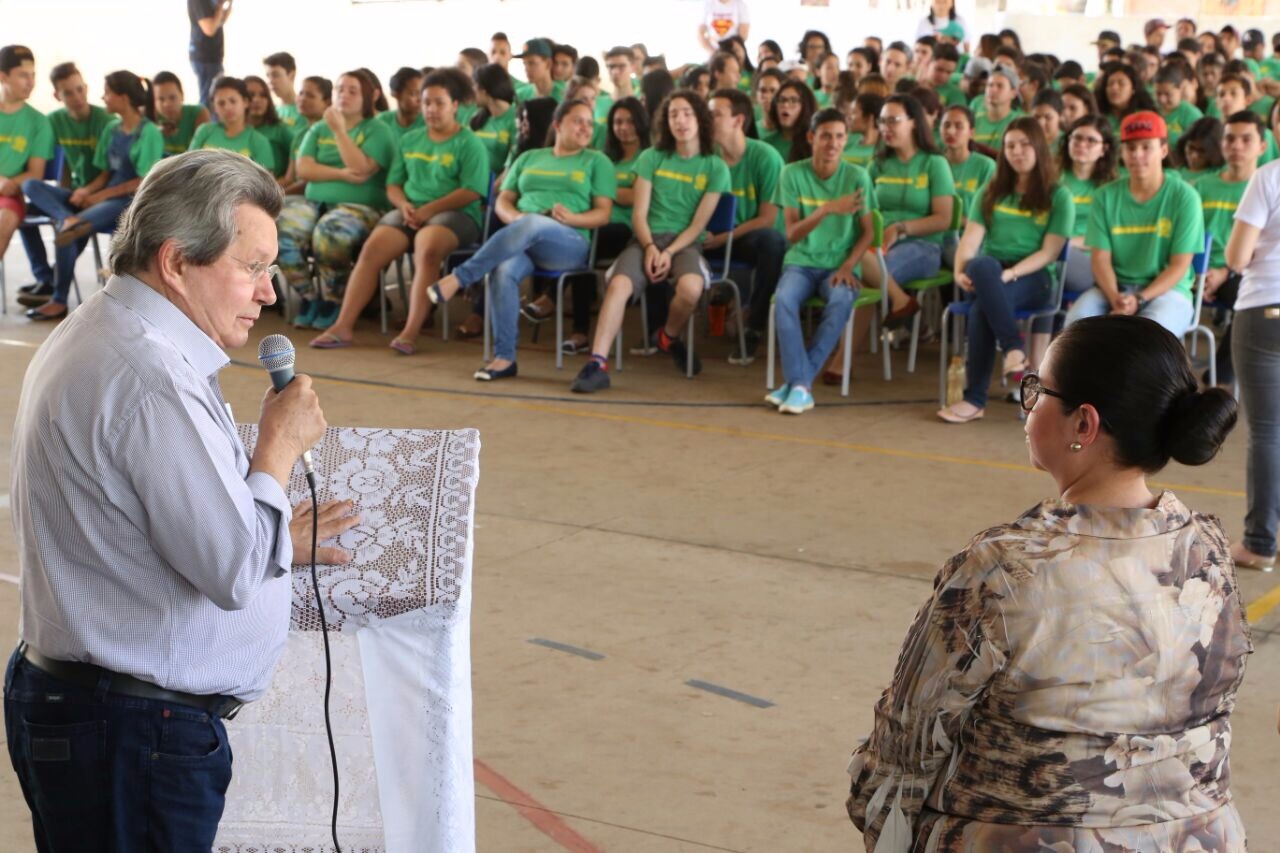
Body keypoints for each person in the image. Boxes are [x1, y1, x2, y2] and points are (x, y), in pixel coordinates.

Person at [6, 148, 360, 849]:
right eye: (252, 266)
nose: (268, 293)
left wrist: (271, 538)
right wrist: (276, 452)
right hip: (129, 730)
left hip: (109, 717)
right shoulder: (147, 375)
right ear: (175, 263)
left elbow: (148, 522)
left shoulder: (117, 334)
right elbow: (228, 571)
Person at [851, 313, 1246, 849]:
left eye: (1036, 389)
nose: (1028, 404)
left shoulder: (1004, 569)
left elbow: (899, 759)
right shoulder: (1210, 553)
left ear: (1084, 424)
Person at [423, 98, 614, 381]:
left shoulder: (597, 161)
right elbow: (503, 200)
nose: (586, 127)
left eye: (590, 122)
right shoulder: (528, 157)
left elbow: (603, 214)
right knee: (504, 270)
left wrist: (571, 218)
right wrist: (517, 220)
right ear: (558, 124)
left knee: (535, 223)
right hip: (524, 234)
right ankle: (504, 358)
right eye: (578, 120)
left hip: (568, 241)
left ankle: (459, 278)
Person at [307, 67, 488, 355]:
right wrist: (403, 204)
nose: (431, 109)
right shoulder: (411, 139)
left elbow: (472, 191)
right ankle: (342, 326)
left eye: (439, 103)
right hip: (410, 211)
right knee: (372, 249)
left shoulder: (469, 143)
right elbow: (393, 185)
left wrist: (429, 209)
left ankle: (410, 331)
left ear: (454, 106)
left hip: (456, 214)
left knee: (426, 248)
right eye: (426, 102)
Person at [571, 89, 728, 392]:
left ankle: (667, 336)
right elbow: (638, 215)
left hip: (684, 243)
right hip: (645, 239)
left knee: (691, 288)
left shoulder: (715, 166)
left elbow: (698, 225)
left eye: (687, 113)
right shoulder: (651, 157)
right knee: (617, 285)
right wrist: (650, 248)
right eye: (673, 114)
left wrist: (668, 251)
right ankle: (597, 363)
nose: (680, 120)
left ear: (700, 119)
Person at [937, 117, 1074, 423]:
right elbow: (970, 240)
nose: (1017, 151)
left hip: (1034, 276)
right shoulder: (992, 190)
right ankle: (1013, 350)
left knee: (979, 310)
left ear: (1039, 147)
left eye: (1025, 144)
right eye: (1010, 145)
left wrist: (1010, 275)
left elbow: (1049, 252)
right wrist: (960, 271)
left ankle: (975, 400)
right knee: (981, 263)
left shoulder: (1058, 195)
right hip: (991, 271)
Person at [22, 70, 164, 322]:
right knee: (32, 186)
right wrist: (86, 191)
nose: (103, 97)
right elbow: (105, 173)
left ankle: (57, 300)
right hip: (103, 195)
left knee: (68, 234)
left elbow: (142, 181)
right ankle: (65, 216)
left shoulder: (149, 132)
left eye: (107, 92)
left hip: (127, 202)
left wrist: (98, 198)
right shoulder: (112, 128)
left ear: (122, 97)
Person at [766, 108, 875, 415]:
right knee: (784, 301)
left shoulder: (857, 176)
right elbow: (790, 233)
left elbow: (868, 233)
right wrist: (825, 209)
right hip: (800, 261)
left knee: (841, 301)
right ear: (812, 137)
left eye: (840, 136)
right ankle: (801, 385)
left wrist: (846, 266)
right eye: (826, 135)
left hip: (840, 265)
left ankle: (797, 383)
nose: (833, 143)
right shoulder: (792, 174)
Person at [1066, 112, 1204, 337]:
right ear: (1122, 152)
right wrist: (1116, 299)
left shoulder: (1185, 197)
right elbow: (1100, 259)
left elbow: (1179, 265)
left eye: (1146, 147)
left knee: (1147, 338)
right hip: (1114, 288)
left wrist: (1140, 299)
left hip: (1168, 291)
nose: (1137, 155)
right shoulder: (1105, 196)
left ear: (1163, 150)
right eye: (1130, 148)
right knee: (1075, 327)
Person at [278, 70, 396, 330]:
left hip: (362, 208)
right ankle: (309, 297)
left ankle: (334, 299)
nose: (344, 95)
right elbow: (304, 169)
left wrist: (340, 132)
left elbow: (362, 169)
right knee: (280, 228)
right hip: (314, 203)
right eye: (340, 89)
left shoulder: (378, 130)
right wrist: (341, 174)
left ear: (369, 96)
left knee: (330, 233)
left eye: (353, 90)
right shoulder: (320, 127)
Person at [16, 62, 111, 309]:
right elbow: (64, 165)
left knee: (71, 226)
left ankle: (53, 287)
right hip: (73, 197)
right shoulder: (54, 121)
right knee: (27, 196)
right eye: (68, 92)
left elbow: (111, 172)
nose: (77, 97)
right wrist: (62, 195)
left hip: (100, 198)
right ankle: (45, 277)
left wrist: (89, 194)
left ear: (86, 88)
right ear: (57, 96)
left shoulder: (105, 120)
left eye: (79, 89)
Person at [703, 88, 786, 364]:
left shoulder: (765, 157)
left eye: (716, 114)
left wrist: (725, 237)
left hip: (745, 238)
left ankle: (754, 327)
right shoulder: (706, 158)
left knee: (772, 241)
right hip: (707, 238)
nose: (708, 118)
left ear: (738, 120)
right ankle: (661, 330)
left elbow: (767, 218)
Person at [861, 95, 953, 332]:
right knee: (853, 266)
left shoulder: (934, 163)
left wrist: (900, 228)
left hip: (923, 245)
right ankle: (902, 303)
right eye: (881, 122)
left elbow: (944, 218)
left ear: (913, 122)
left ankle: (847, 356)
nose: (885, 128)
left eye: (893, 120)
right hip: (877, 243)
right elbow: (864, 210)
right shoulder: (877, 165)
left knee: (869, 273)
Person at [1228, 153, 1280, 570]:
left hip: (1265, 307)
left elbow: (1237, 257)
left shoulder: (1268, 176)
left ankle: (1260, 543)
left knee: (1267, 433)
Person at [1193, 111, 1268, 387]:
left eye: (1246, 139)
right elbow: (1186, 237)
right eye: (1230, 139)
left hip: (1242, 272)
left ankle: (1222, 376)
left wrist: (1224, 271)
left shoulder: (1267, 186)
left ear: (1262, 146)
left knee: (1247, 298)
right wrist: (1197, 272)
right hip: (1194, 270)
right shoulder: (1201, 187)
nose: (1236, 146)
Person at [0, 45, 53, 273]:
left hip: (10, 196)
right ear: (3, 76)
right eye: (23, 75)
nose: (30, 82)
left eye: (33, 75)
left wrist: (6, 183)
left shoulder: (38, 122)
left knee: (5, 219)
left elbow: (35, 174)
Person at [189, 77, 275, 173]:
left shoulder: (259, 141)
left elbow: (265, 183)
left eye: (233, 101)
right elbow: (187, 167)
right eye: (221, 103)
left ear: (245, 102)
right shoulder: (204, 131)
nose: (227, 107)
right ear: (215, 107)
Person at [278, 75, 331, 196]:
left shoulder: (329, 133)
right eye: (301, 93)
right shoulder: (300, 135)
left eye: (310, 95)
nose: (302, 99)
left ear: (327, 102)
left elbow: (309, 180)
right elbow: (289, 178)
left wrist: (279, 195)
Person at [469, 63, 517, 174]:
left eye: (473, 86)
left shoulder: (516, 119)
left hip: (497, 185)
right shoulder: (477, 118)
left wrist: (491, 190)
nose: (471, 91)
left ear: (483, 90)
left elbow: (512, 167)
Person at [245, 75, 293, 178]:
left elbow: (297, 157)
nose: (257, 100)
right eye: (251, 95)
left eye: (263, 95)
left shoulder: (279, 129)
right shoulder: (234, 131)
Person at [153, 71, 210, 156]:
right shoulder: (149, 118)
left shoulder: (198, 114)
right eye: (161, 99)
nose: (167, 104)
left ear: (182, 95)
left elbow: (203, 155)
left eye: (172, 98)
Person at [187, 0, 231, 108]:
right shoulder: (199, 2)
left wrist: (229, 3)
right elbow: (210, 29)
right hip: (205, 57)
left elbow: (220, 21)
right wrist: (220, 5)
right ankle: (206, 123)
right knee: (208, 100)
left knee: (213, 97)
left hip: (213, 57)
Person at [1095, 62, 1157, 133]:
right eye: (1110, 84)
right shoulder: (1098, 115)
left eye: (1121, 84)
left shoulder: (1145, 118)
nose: (1114, 88)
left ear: (1133, 89)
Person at [764, 78, 816, 162]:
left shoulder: (814, 144)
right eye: (781, 100)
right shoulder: (766, 144)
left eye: (793, 100)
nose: (785, 105)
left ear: (806, 106)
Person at [973, 65, 1021, 149]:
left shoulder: (1019, 122)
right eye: (990, 85)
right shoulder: (973, 119)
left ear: (1013, 93)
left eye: (1000, 86)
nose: (993, 90)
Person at [377, 66, 425, 144]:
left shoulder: (428, 122)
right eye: (413, 94)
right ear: (395, 94)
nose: (420, 99)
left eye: (422, 93)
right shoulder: (383, 122)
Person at [1174, 116, 1224, 185]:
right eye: (1191, 147)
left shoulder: (1221, 175)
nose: (1194, 156)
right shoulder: (1174, 174)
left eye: (1202, 151)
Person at [263, 51, 301, 132]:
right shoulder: (270, 111)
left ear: (292, 75)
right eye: (268, 76)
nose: (271, 81)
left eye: (275, 75)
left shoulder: (304, 111)